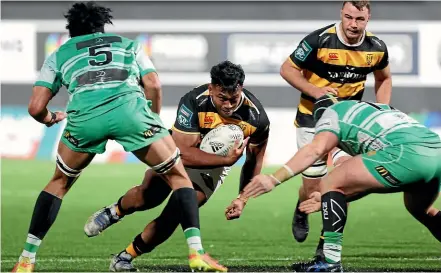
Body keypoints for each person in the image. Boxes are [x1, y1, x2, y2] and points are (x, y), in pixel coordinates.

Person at [12, 2, 222, 272]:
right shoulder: (129, 45)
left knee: (59, 183)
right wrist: (153, 120)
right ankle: (196, 252)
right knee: (179, 177)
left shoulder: (59, 54)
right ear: (102, 26)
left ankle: (26, 261)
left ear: (72, 31)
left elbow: (35, 108)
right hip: (132, 115)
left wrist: (50, 119)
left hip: (85, 121)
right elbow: (154, 84)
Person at [83, 61, 270, 272]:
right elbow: (181, 154)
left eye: (233, 99)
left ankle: (125, 257)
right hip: (182, 152)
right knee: (148, 196)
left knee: (174, 215)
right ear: (211, 89)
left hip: (213, 169)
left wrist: (242, 198)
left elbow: (254, 161)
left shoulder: (257, 118)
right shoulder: (193, 101)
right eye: (222, 98)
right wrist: (226, 160)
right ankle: (115, 211)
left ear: (241, 90)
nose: (228, 105)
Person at [242, 94, 441, 272]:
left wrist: (274, 179)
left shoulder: (331, 114)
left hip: (405, 155)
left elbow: (315, 150)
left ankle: (330, 262)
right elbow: (364, 180)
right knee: (421, 209)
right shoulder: (370, 110)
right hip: (435, 153)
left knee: (330, 180)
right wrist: (331, 197)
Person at [279, 0, 393, 257]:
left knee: (343, 178)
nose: (353, 24)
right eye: (349, 17)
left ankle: (326, 241)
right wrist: (317, 92)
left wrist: (381, 111)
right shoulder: (319, 40)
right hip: (312, 120)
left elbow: (384, 78)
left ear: (368, 18)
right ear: (341, 14)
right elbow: (287, 69)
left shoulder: (376, 48)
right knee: (314, 189)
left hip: (349, 121)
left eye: (360, 19)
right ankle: (301, 205)